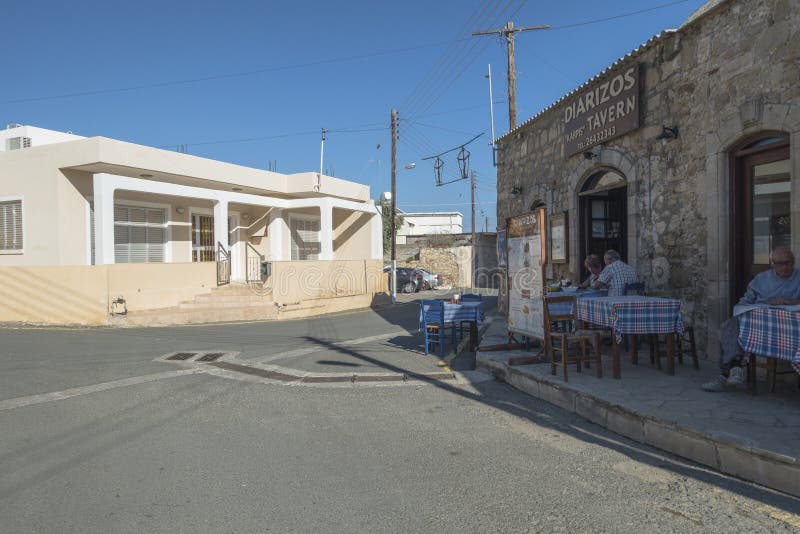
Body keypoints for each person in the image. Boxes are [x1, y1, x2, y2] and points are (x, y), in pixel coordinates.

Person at [702, 246, 800, 392]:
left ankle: (726, 374)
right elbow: (746, 300)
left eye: (788, 262)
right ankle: (734, 369)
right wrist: (741, 309)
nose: (785, 267)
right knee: (730, 325)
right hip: (760, 326)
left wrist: (789, 301)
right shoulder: (761, 279)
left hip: (788, 331)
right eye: (780, 263)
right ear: (772, 264)